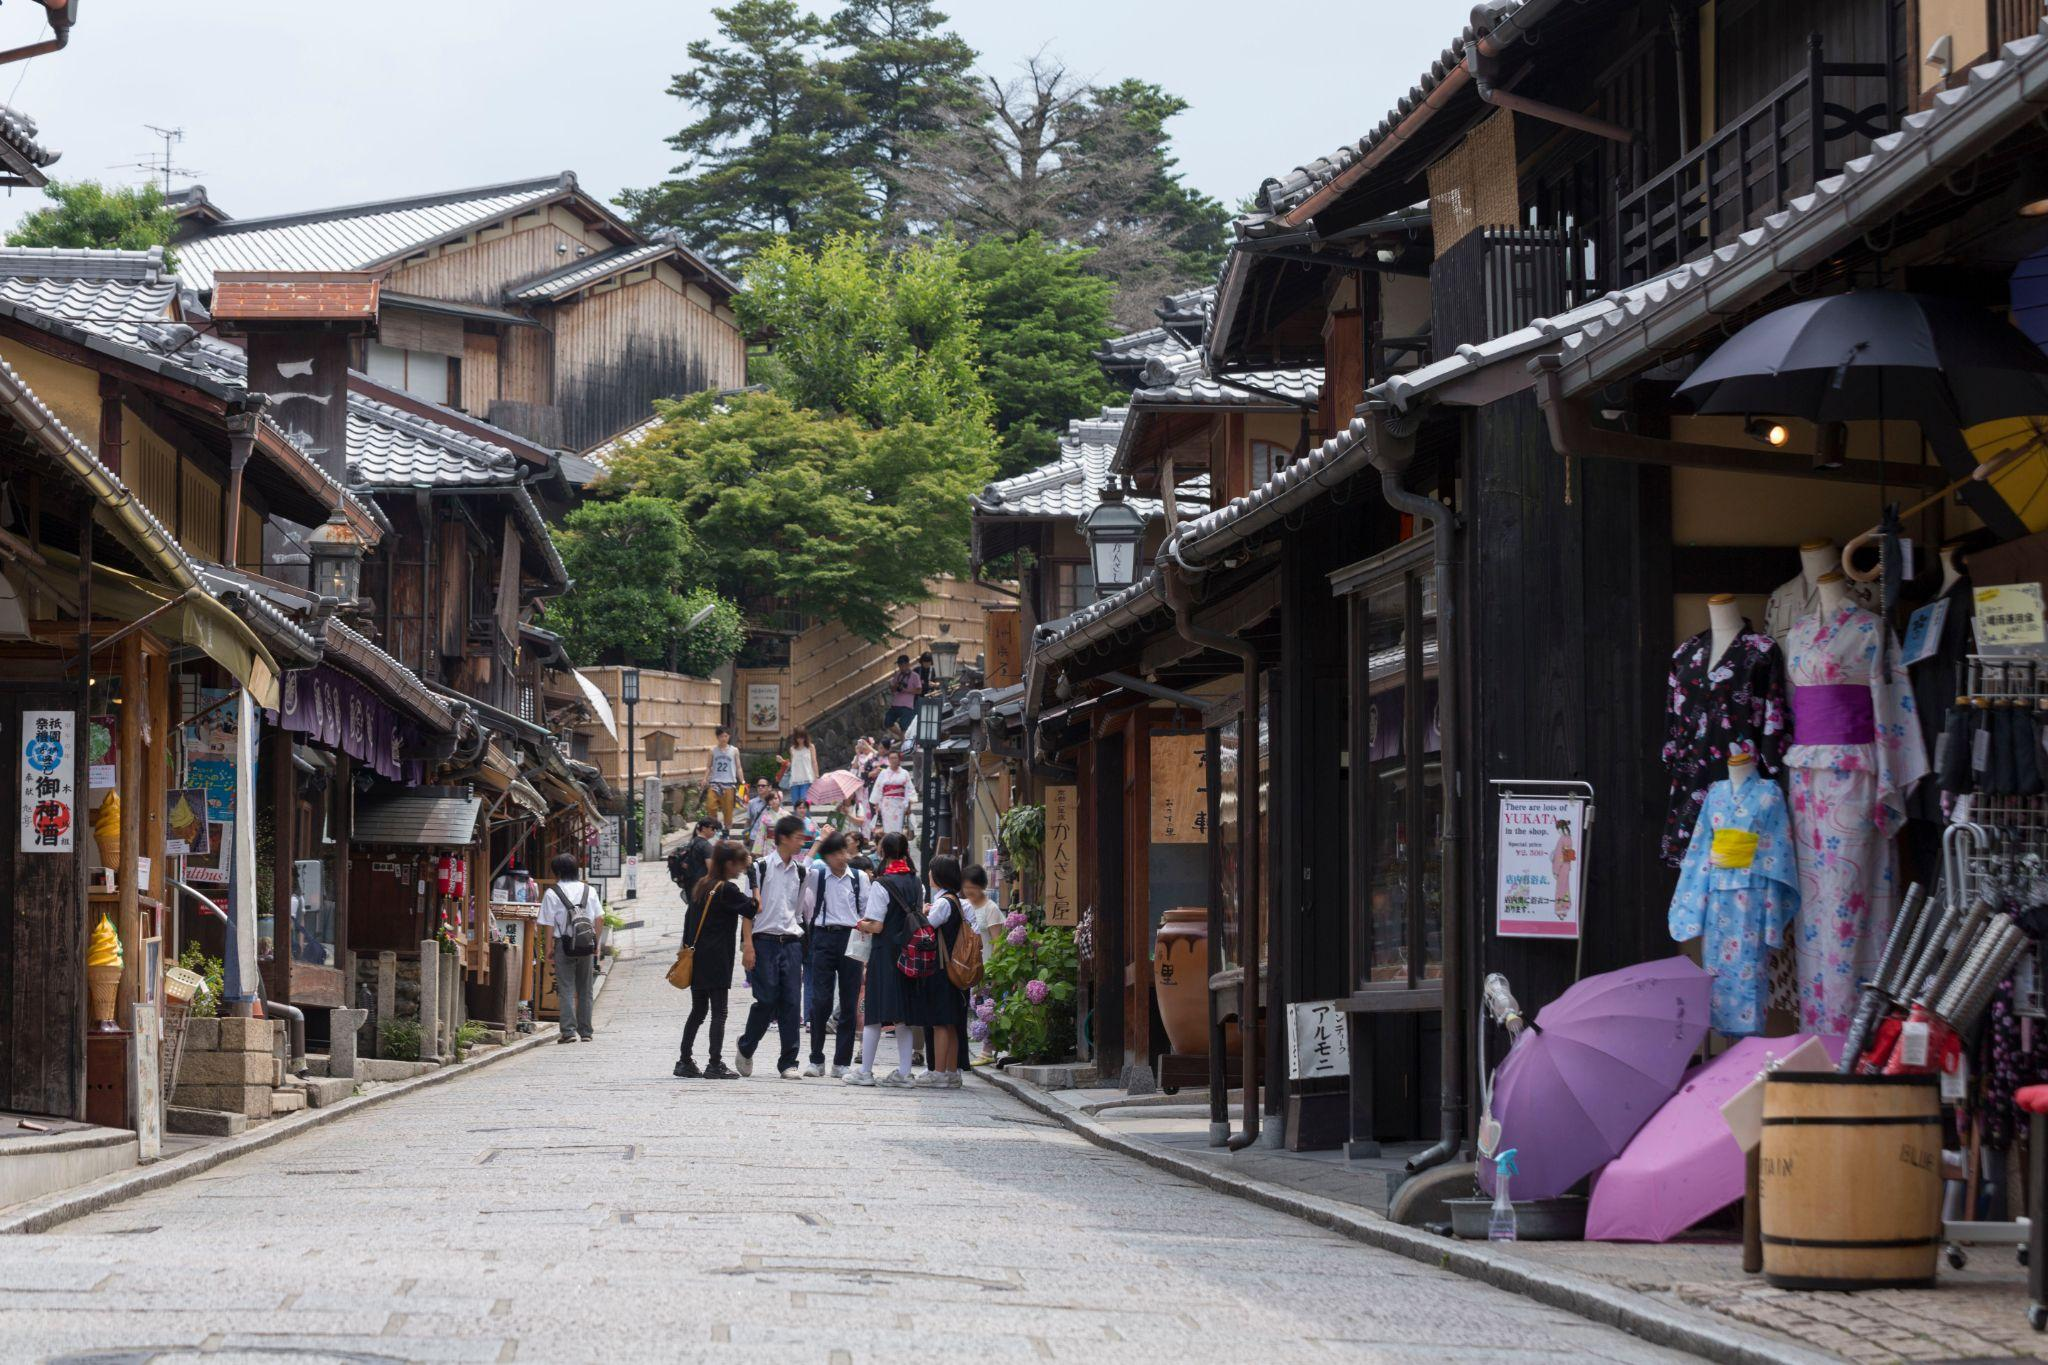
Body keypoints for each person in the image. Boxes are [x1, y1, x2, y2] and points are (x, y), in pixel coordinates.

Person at [844, 831, 922, 1088]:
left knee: (874, 1013)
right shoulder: (915, 881)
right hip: (909, 953)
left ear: (882, 851)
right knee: (903, 1015)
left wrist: (860, 923)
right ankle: (904, 1072)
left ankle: (865, 1071)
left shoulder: (882, 883)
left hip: (885, 953)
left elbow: (876, 926)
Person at [735, 814, 809, 1079]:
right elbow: (747, 911)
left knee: (791, 1002)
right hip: (763, 941)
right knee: (765, 1000)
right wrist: (748, 946)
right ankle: (746, 1046)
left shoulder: (802, 871)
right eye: (799, 837)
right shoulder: (760, 868)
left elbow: (799, 912)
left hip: (790, 942)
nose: (802, 841)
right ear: (784, 839)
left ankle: (789, 1062)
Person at [675, 840, 749, 1079]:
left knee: (698, 1010)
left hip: (696, 957)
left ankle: (684, 1060)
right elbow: (753, 908)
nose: (740, 870)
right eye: (739, 864)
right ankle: (714, 1063)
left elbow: (687, 923)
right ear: (729, 863)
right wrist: (756, 884)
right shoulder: (727, 890)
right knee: (719, 1012)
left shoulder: (701, 885)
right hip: (717, 958)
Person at [800, 831, 866, 1077]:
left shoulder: (858, 878)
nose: (842, 857)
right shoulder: (818, 876)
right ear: (826, 856)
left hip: (851, 938)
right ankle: (816, 1059)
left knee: (849, 1002)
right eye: (836, 853)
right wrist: (817, 843)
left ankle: (842, 1062)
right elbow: (800, 872)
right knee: (820, 1001)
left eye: (844, 851)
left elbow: (866, 911)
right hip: (823, 938)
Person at [909, 855, 969, 1089]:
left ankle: (939, 1072)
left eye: (932, 871)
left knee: (940, 1022)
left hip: (942, 969)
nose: (929, 876)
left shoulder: (944, 902)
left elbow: (926, 928)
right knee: (951, 1023)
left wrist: (922, 912)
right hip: (954, 969)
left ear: (939, 875)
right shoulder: (956, 900)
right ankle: (952, 1072)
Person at [537, 852, 601, 1044]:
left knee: (566, 988)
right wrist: (595, 944)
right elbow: (599, 918)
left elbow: (548, 924)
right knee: (586, 989)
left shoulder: (552, 893)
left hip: (563, 945)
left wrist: (548, 948)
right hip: (585, 945)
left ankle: (568, 1032)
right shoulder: (589, 891)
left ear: (556, 872)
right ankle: (586, 1032)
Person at [962, 864, 1002, 1062]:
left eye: (972, 888)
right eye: (966, 887)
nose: (969, 892)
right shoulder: (966, 906)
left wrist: (993, 971)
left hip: (987, 966)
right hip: (971, 968)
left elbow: (998, 943)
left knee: (987, 1008)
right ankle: (986, 1049)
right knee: (978, 1007)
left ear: (982, 886)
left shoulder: (991, 909)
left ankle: (987, 1051)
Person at [867, 746, 917, 841]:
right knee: (887, 828)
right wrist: (877, 804)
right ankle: (889, 844)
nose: (893, 760)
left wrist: (909, 805)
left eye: (895, 758)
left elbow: (909, 789)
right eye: (891, 758)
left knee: (898, 828)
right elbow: (878, 789)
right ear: (888, 760)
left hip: (900, 803)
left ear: (899, 759)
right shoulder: (883, 773)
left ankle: (898, 844)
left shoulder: (904, 773)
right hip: (887, 803)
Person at [706, 727, 743, 832]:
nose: (724, 738)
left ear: (729, 737)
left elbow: (738, 767)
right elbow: (708, 766)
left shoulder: (734, 750)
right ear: (717, 737)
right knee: (710, 805)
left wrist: (742, 781)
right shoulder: (712, 751)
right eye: (721, 736)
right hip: (715, 783)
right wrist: (705, 779)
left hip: (729, 784)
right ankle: (715, 827)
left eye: (726, 736)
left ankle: (727, 831)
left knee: (728, 811)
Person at [668, 817, 717, 895]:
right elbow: (711, 869)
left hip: (689, 882)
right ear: (704, 828)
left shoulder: (691, 842)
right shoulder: (706, 846)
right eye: (713, 828)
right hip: (701, 884)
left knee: (693, 906)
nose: (715, 831)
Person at [883, 655, 922, 736]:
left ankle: (904, 745)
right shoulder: (898, 675)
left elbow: (919, 690)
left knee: (904, 726)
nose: (901, 667)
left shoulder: (915, 676)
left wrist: (906, 690)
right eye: (899, 665)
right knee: (888, 721)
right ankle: (902, 736)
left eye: (902, 665)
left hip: (907, 706)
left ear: (907, 664)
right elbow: (892, 690)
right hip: (896, 704)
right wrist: (896, 685)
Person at [785, 728, 819, 806]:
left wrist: (816, 776)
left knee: (804, 804)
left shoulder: (810, 747)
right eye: (798, 737)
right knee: (795, 804)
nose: (800, 739)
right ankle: (797, 819)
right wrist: (783, 762)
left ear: (805, 736)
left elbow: (814, 762)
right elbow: (793, 764)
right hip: (794, 780)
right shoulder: (792, 749)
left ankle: (806, 818)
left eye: (802, 737)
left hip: (807, 779)